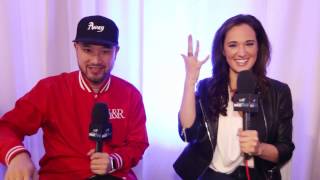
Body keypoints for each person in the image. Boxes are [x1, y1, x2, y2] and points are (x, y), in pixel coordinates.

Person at [0, 15, 149, 180]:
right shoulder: (50, 89)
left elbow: (138, 143)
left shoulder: (130, 94)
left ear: (116, 52)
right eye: (87, 50)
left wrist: (114, 161)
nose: (96, 60)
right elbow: (6, 127)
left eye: (105, 51)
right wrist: (16, 155)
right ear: (76, 48)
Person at [173, 14, 295, 180]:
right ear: (223, 50)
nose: (242, 52)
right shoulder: (207, 88)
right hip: (212, 175)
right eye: (233, 45)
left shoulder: (278, 92)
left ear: (259, 46)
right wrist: (190, 80)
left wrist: (259, 148)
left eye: (249, 44)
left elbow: (285, 149)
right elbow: (187, 133)